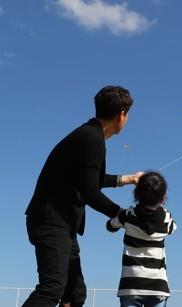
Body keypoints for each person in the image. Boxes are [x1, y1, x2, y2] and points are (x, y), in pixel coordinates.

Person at [23, 85, 143, 307]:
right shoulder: (91, 139)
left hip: (62, 224)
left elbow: (88, 179)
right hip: (51, 221)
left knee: (75, 293)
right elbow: (90, 192)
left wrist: (128, 179)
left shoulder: (90, 135)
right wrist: (122, 215)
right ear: (122, 114)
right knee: (52, 288)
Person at [106, 171, 177, 307]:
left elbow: (110, 226)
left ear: (137, 195)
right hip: (158, 286)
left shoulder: (127, 215)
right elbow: (173, 228)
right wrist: (160, 204)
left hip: (131, 285)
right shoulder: (166, 220)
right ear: (163, 198)